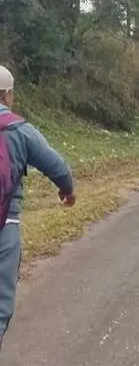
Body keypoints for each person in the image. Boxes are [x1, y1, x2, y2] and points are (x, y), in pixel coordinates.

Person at [0, 66, 74, 349]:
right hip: (5, 224)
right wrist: (67, 190)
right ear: (8, 95)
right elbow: (57, 166)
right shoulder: (20, 129)